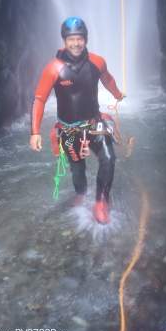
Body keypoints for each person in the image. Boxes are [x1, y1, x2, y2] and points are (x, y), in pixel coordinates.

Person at [29, 17, 125, 224]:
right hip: (69, 129)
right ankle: (81, 193)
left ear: (85, 39)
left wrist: (117, 94)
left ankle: (101, 202)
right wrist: (35, 132)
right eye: (71, 39)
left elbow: (107, 79)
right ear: (64, 41)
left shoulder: (97, 62)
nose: (76, 43)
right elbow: (39, 99)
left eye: (80, 38)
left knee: (109, 158)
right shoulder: (54, 69)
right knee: (78, 168)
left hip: (94, 123)